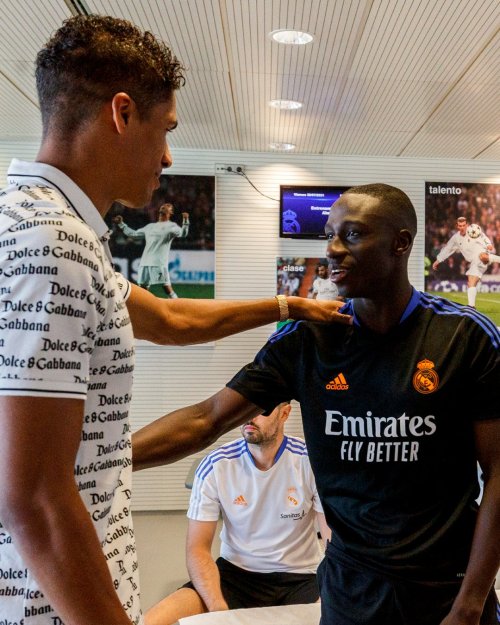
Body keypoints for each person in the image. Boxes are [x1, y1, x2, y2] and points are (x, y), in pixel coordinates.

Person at [0, 15, 352, 625]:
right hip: (47, 604)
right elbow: (33, 495)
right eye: (164, 129)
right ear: (121, 114)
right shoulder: (52, 244)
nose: (167, 155)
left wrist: (288, 306)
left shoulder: (40, 224)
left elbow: (167, 317)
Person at [133, 183, 500, 625]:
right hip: (349, 594)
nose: (333, 249)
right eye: (329, 234)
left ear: (400, 243)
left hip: (446, 593)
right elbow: (206, 419)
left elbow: (499, 471)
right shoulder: (307, 338)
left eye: (352, 235)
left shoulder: (466, 336)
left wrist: (469, 605)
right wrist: (103, 461)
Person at [145, 402, 330, 625]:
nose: (250, 418)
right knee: (151, 620)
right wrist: (218, 609)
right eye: (245, 410)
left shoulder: (311, 462)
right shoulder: (215, 466)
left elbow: (334, 543)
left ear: (284, 414)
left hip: (301, 576)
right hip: (236, 574)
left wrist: (330, 596)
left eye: (262, 410)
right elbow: (197, 549)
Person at [114, 202, 189, 298]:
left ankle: (177, 303)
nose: (164, 206)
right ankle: (144, 309)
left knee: (167, 288)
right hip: (145, 262)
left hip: (158, 262)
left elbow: (183, 234)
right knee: (143, 289)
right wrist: (121, 224)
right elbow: (133, 234)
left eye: (167, 207)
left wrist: (185, 220)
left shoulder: (172, 226)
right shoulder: (150, 227)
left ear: (171, 213)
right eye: (163, 206)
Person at [432, 216, 495, 307]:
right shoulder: (456, 238)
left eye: (464, 225)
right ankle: (471, 306)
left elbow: (483, 236)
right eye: (460, 226)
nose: (462, 227)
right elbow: (448, 249)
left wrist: (488, 244)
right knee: (471, 283)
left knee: (470, 279)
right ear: (457, 226)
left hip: (480, 257)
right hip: (474, 262)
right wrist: (438, 260)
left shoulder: (473, 230)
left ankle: (471, 306)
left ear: (467, 225)